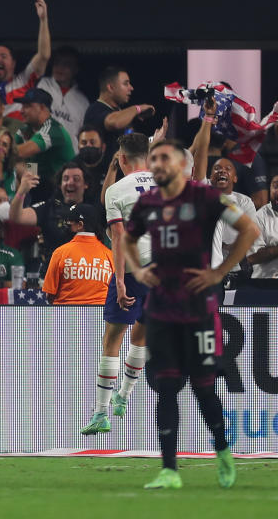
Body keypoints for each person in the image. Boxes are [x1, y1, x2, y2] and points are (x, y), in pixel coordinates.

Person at [123, 139, 258, 490]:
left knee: (202, 388)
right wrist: (137, 270)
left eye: (163, 157)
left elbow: (250, 230)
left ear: (182, 165)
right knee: (165, 387)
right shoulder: (147, 203)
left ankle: (223, 451)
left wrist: (220, 271)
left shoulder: (207, 198)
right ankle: (169, 470)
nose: (156, 163)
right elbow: (127, 239)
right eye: (152, 158)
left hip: (198, 309)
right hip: (162, 309)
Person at [79, 133, 154, 435]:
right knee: (142, 333)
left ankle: (100, 413)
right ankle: (124, 395)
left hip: (136, 267)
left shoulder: (115, 190)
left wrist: (120, 282)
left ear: (121, 159)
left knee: (112, 340)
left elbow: (119, 238)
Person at [7, 160, 94, 268]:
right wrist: (22, 191)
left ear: (85, 184)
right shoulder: (48, 207)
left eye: (76, 179)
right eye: (65, 179)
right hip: (52, 272)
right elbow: (16, 217)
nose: (70, 182)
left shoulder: (93, 210)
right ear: (60, 184)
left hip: (84, 271)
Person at [43, 203, 113, 305]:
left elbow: (49, 295)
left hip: (65, 317)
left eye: (70, 222)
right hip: (99, 318)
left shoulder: (60, 253)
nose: (67, 224)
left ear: (80, 225)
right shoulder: (109, 255)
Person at [14, 87, 76, 200]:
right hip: (40, 187)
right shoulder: (25, 130)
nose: (22, 111)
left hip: (62, 190)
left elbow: (21, 152)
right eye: (22, 106)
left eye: (27, 106)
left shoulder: (54, 130)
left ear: (42, 108)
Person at [82, 67, 152, 159]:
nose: (131, 88)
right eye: (125, 84)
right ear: (111, 87)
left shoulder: (119, 112)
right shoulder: (95, 110)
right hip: (103, 172)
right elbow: (115, 122)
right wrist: (138, 108)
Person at [209, 157, 257, 274]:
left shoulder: (244, 202)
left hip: (235, 267)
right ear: (210, 178)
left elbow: (251, 234)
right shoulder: (200, 200)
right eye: (217, 168)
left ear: (235, 178)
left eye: (228, 169)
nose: (222, 171)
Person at [248, 173, 278, 278]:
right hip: (265, 283)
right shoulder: (259, 217)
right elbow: (252, 257)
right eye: (276, 186)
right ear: (270, 188)